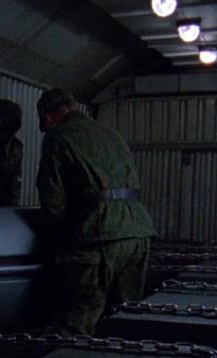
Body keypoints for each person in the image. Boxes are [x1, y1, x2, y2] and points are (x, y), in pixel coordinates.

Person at [34, 88, 157, 336]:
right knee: (126, 318)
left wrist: (57, 244)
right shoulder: (111, 134)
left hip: (99, 236)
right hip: (137, 231)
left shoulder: (58, 136)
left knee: (76, 321)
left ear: (47, 118)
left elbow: (53, 200)